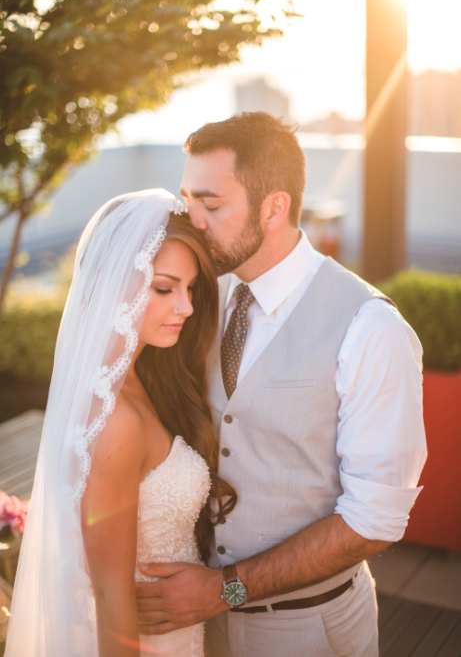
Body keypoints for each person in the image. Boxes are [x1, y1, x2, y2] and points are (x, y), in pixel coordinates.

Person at [134, 113, 427, 657]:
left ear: (274, 207)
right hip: (192, 625)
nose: (191, 221)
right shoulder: (196, 297)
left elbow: (375, 521)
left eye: (212, 205)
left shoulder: (371, 330)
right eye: (186, 200)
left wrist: (225, 589)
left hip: (307, 629)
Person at [5, 189, 236, 657]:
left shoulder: (138, 381)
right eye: (165, 288)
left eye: (190, 289)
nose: (186, 308)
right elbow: (111, 592)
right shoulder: (113, 420)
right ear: (114, 286)